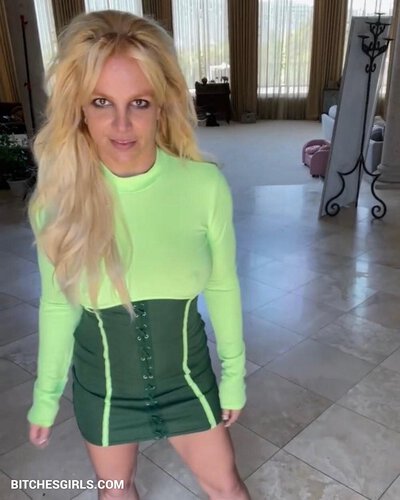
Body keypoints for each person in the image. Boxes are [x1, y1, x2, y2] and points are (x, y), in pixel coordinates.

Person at [27, 10, 249, 500]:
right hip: (103, 392)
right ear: (79, 108)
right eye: (101, 102)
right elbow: (57, 305)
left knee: (227, 489)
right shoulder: (56, 205)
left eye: (139, 103)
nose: (122, 124)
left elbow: (223, 284)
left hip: (188, 382)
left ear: (162, 107)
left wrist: (234, 376)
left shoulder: (204, 187)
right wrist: (46, 395)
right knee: (116, 491)